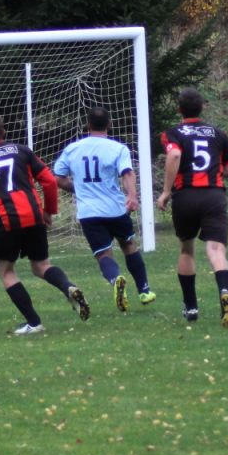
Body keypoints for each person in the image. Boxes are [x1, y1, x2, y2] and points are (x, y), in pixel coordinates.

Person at [0, 112, 89, 336]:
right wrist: (48, 211)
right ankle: (68, 287)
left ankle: (34, 323)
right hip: (34, 216)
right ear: (4, 132)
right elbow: (48, 181)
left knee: (6, 271)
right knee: (42, 266)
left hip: (6, 221)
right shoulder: (21, 151)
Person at [53, 106, 156, 312]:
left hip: (89, 212)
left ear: (88, 125)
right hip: (115, 209)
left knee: (103, 255)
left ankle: (115, 279)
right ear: (109, 125)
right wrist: (132, 197)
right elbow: (127, 173)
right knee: (128, 245)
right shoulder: (118, 148)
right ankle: (144, 290)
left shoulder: (73, 149)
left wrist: (78, 189)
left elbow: (58, 178)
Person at [157, 88, 228, 326]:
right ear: (202, 107)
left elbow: (173, 156)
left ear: (179, 109)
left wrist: (165, 192)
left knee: (186, 249)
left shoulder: (173, 133)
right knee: (216, 251)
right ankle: (225, 294)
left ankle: (191, 307)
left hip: (186, 196)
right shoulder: (218, 133)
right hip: (213, 196)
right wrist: (216, 170)